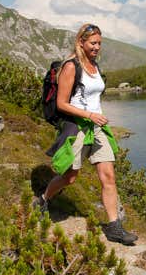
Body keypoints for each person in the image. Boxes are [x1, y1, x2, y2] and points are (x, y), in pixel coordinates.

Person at [34, 23, 137, 245]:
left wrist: (96, 116)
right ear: (81, 42)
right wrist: (89, 115)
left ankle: (114, 227)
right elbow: (62, 104)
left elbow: (93, 97)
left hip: (97, 128)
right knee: (69, 178)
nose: (97, 47)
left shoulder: (94, 65)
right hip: (77, 126)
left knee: (108, 177)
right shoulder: (71, 66)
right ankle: (42, 199)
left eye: (99, 43)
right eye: (93, 43)